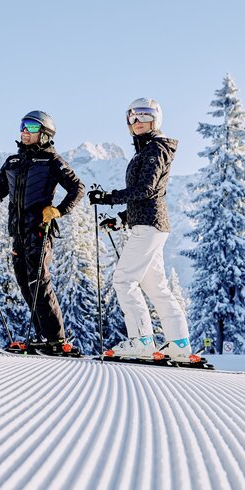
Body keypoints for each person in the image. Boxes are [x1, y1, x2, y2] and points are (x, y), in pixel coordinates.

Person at [0, 110, 84, 354]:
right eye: (23, 126)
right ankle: (41, 336)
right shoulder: (13, 162)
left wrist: (58, 211)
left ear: (45, 135)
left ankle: (56, 340)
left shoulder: (52, 161)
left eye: (32, 127)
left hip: (39, 231)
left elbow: (78, 188)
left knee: (39, 284)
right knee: (25, 284)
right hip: (17, 233)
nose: (25, 131)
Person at [88, 98, 197, 363]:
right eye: (132, 116)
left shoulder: (155, 149)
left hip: (149, 226)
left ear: (155, 119)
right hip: (150, 223)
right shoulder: (148, 150)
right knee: (155, 285)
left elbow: (145, 190)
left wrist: (107, 197)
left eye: (144, 115)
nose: (137, 121)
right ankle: (179, 343)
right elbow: (149, 196)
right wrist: (122, 219)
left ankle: (142, 341)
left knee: (124, 280)